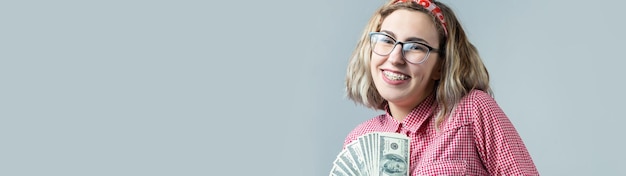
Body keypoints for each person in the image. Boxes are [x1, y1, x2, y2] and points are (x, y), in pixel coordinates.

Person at [342, 0, 539, 175]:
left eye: (416, 46)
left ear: (440, 66)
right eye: (386, 40)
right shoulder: (358, 139)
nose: (395, 58)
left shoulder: (472, 111)